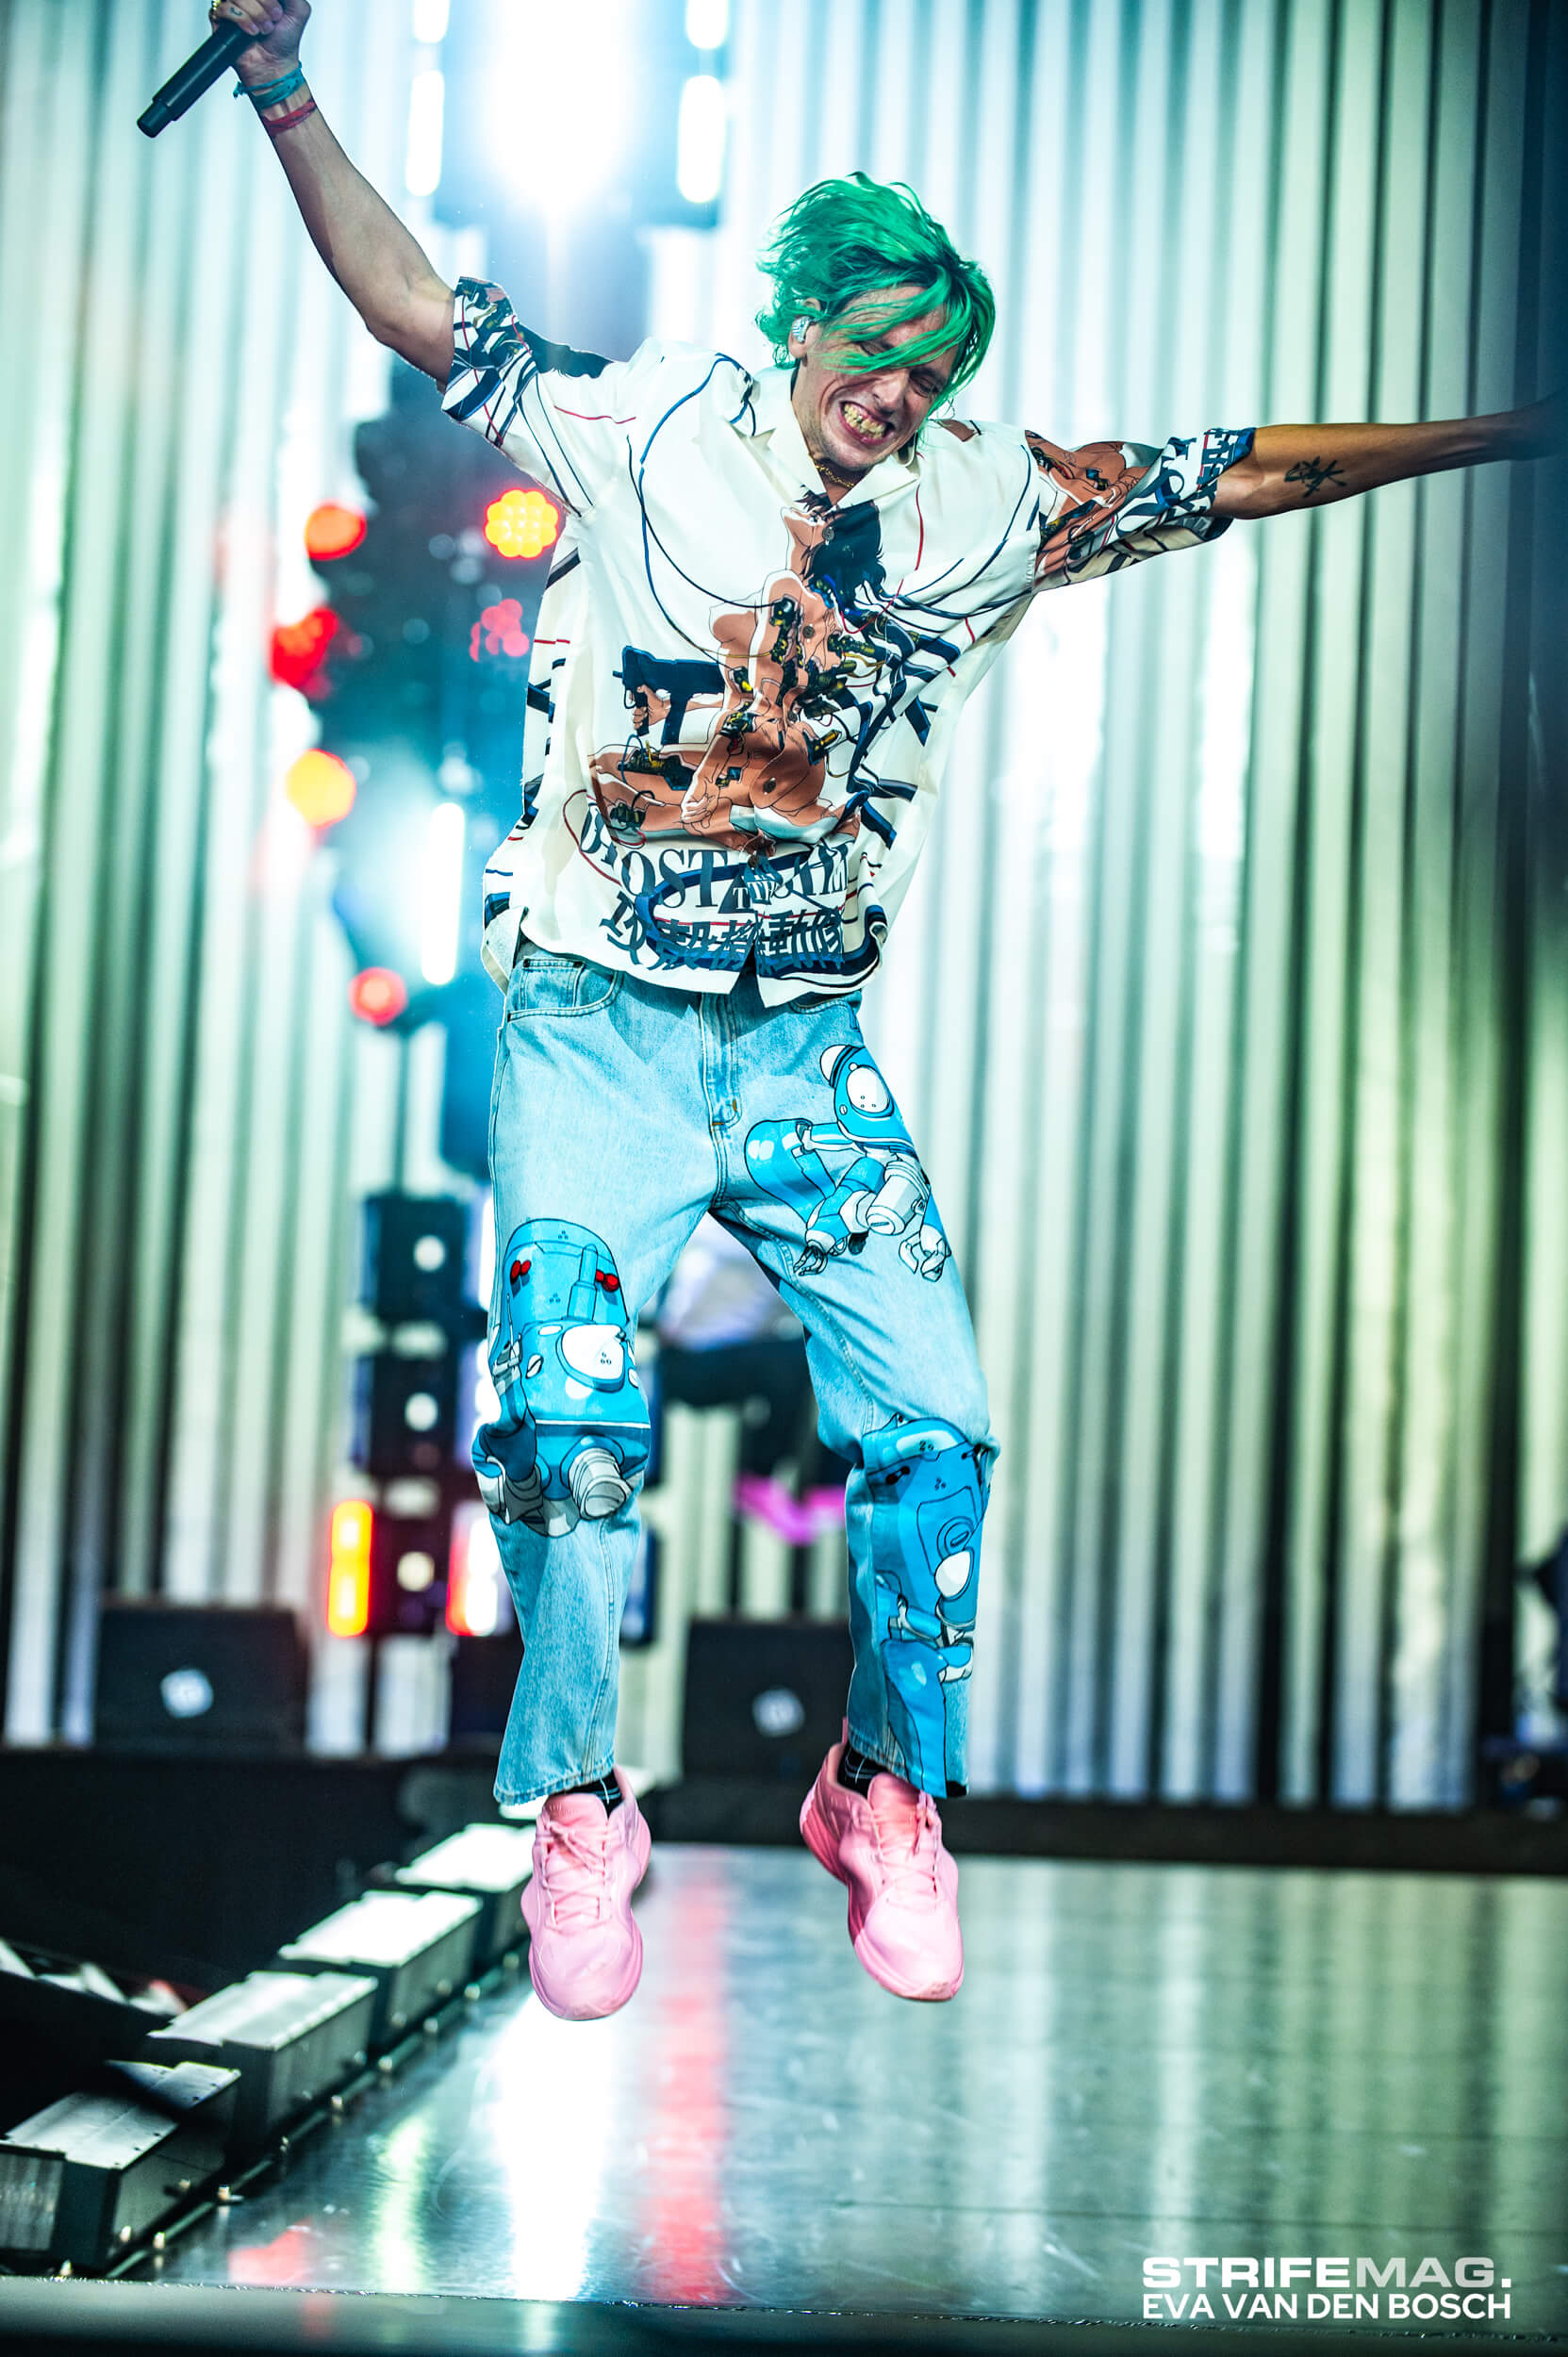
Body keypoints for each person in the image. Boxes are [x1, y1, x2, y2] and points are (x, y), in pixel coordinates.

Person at [214, 0, 1563, 2019]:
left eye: (932, 373)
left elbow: (1248, 470)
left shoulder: (985, 502)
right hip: (593, 1024)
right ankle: (576, 1803)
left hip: (801, 1050)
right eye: (874, 353)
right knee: (568, 1422)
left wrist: (1502, 433)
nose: (899, 394)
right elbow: (414, 302)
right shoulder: (643, 427)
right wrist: (281, 87)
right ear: (802, 329)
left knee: (939, 1432)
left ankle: (882, 1789)